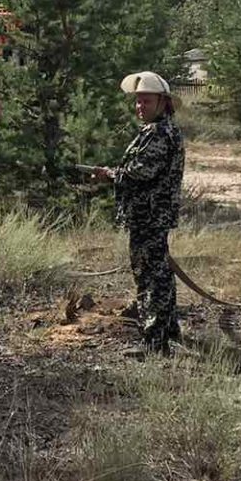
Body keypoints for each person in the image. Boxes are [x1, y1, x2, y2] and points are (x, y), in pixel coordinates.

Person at [91, 71, 186, 354]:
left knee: (149, 278)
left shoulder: (160, 133)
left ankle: (154, 342)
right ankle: (168, 330)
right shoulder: (158, 131)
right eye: (138, 102)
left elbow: (140, 173)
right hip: (149, 215)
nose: (139, 107)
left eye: (145, 102)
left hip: (150, 216)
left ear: (163, 103)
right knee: (159, 275)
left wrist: (109, 174)